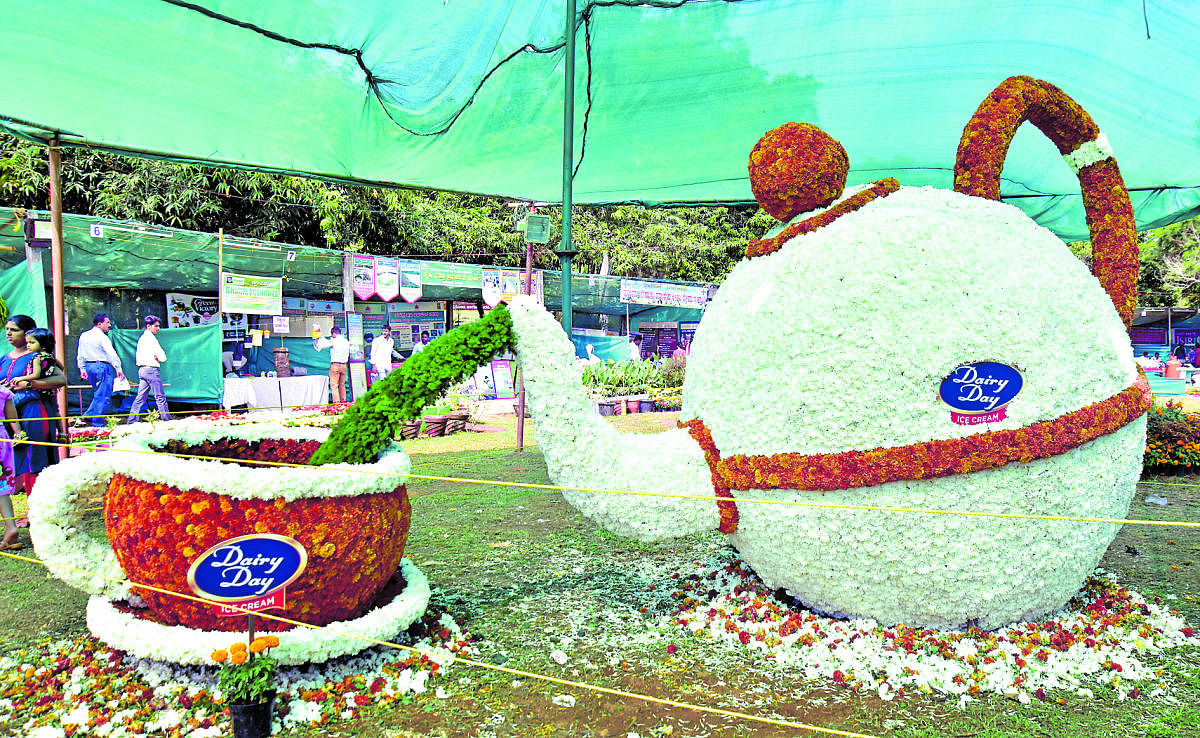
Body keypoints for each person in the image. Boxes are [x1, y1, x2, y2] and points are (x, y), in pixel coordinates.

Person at [0, 315, 67, 547]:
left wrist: (29, 384)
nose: (9, 334)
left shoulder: (40, 356)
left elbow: (61, 378)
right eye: (7, 329)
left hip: (33, 411)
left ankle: (39, 514)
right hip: (9, 416)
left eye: (14, 330)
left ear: (28, 333)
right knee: (16, 461)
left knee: (35, 459)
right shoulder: (4, 359)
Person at [76, 313, 126, 427]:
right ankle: (97, 424)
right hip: (103, 366)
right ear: (99, 324)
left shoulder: (84, 335)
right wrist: (118, 368)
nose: (109, 325)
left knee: (98, 394)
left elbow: (80, 353)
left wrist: (82, 369)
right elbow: (111, 353)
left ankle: (88, 416)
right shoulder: (102, 337)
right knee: (103, 396)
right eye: (107, 322)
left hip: (89, 367)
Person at [127, 315, 172, 423]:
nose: (158, 328)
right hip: (152, 370)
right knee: (160, 397)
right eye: (156, 326)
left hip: (142, 370)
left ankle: (131, 421)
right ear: (148, 326)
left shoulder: (142, 338)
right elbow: (163, 357)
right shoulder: (152, 339)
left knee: (140, 398)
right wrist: (158, 358)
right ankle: (167, 420)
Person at [314, 325, 350, 402]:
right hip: (344, 365)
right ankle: (344, 401)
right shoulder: (346, 341)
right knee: (342, 385)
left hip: (335, 365)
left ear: (334, 333)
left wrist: (318, 336)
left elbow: (322, 345)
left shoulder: (334, 341)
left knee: (334, 386)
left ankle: (337, 403)